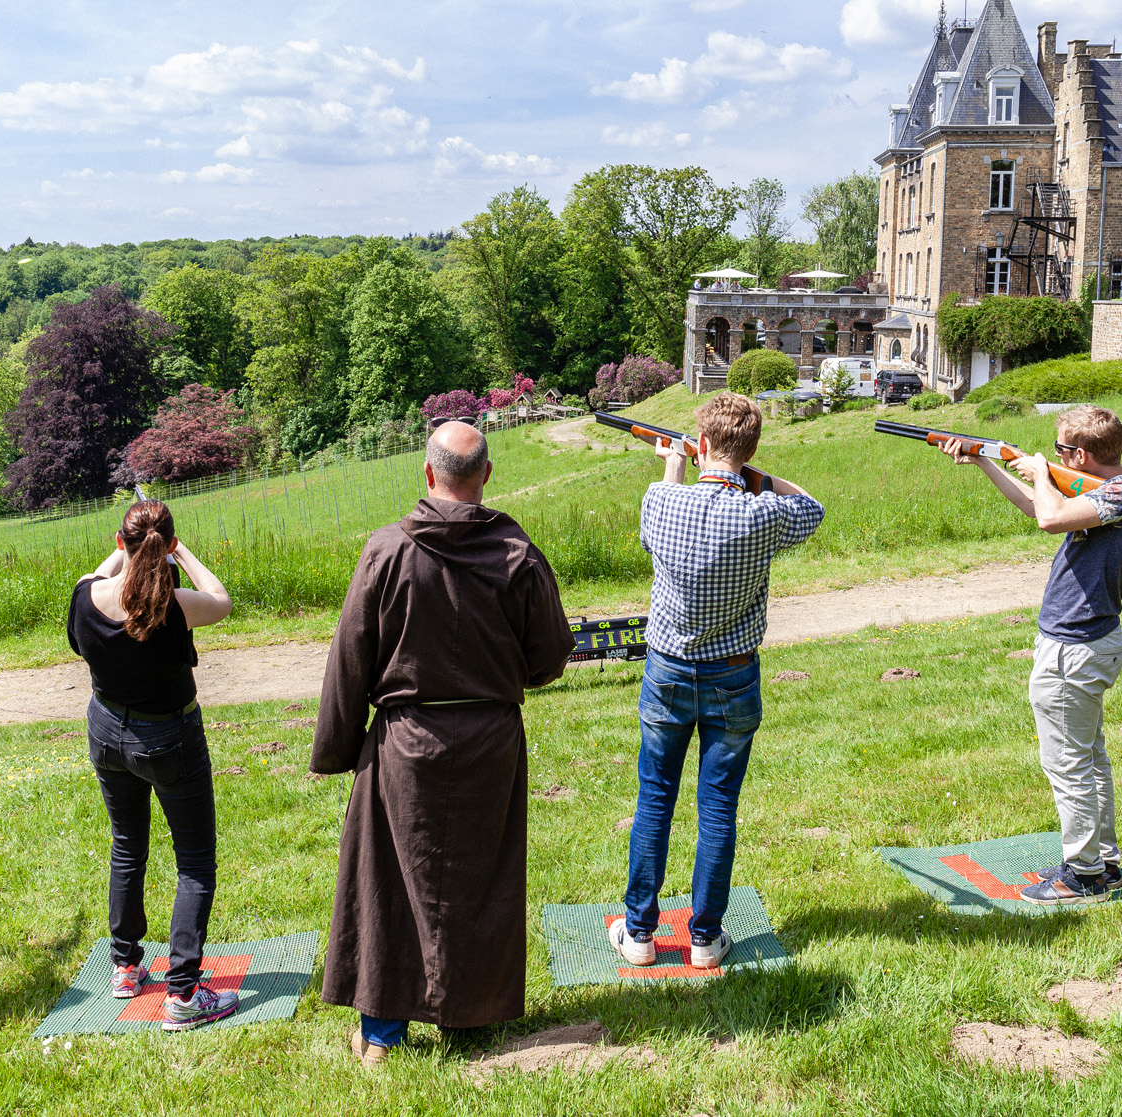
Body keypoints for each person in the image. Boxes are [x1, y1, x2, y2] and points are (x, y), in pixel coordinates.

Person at [311, 421, 574, 1067]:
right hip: (488, 742)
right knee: (478, 883)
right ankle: (468, 1022)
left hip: (404, 743)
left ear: (428, 474)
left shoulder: (384, 551)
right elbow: (549, 658)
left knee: (393, 886)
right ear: (485, 475)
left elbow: (350, 657)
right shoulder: (517, 554)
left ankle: (382, 1033)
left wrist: (340, 747)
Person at [611, 392, 824, 970]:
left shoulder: (662, 502)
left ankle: (639, 935)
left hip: (668, 673)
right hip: (733, 677)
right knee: (718, 809)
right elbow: (814, 507)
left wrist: (673, 461)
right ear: (750, 451)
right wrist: (756, 476)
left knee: (655, 799)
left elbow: (666, 502)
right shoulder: (764, 513)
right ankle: (705, 938)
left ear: (700, 444)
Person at [941, 405, 1122, 905]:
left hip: (1075, 648)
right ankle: (1100, 862)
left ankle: (1082, 875)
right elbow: (1037, 509)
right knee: (1089, 759)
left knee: (1069, 766)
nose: (1054, 456)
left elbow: (1048, 516)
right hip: (1081, 642)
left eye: (1060, 450)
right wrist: (986, 462)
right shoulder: (1107, 493)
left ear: (1080, 455)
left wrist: (1040, 473)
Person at [68, 498, 238, 1031]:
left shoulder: (85, 596)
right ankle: (183, 995)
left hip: (106, 731)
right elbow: (222, 598)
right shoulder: (178, 606)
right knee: (194, 863)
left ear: (120, 543)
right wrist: (181, 552)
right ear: (165, 548)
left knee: (127, 845)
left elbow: (103, 574)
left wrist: (127, 552)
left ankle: (125, 967)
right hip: (170, 738)